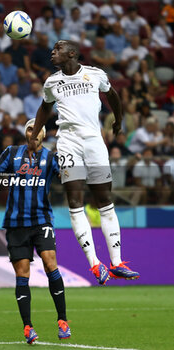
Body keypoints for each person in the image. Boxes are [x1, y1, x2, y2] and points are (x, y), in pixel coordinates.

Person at [27, 40, 140, 285]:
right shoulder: (52, 82)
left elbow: (113, 96)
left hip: (94, 142)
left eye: (57, 50)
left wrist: (118, 121)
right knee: (75, 202)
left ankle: (117, 262)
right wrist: (36, 133)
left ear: (72, 53)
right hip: (68, 142)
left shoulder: (95, 74)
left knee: (105, 201)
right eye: (52, 49)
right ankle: (94, 264)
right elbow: (44, 109)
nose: (52, 53)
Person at [0, 118, 71, 344]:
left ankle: (63, 321)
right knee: (22, 274)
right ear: (26, 133)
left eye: (37, 129)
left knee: (50, 262)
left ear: (43, 135)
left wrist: (70, 167)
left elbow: (65, 178)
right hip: (15, 224)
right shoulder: (12, 152)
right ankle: (28, 327)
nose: (33, 133)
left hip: (42, 220)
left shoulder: (51, 157)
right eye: (30, 129)